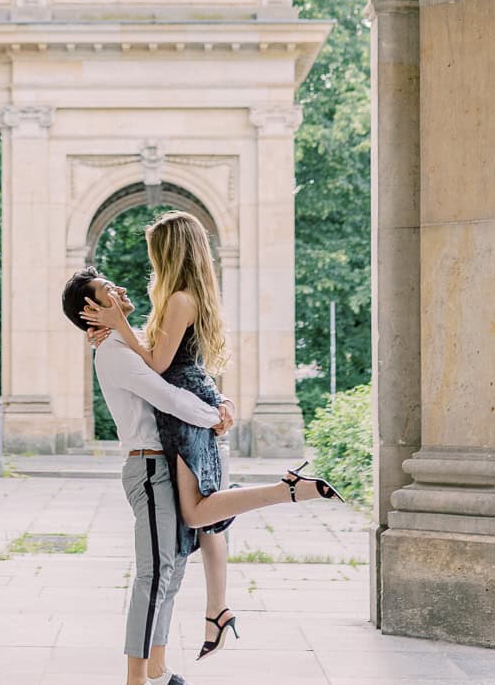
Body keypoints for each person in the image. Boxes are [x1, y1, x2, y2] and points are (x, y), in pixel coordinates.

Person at [80, 211, 342, 659]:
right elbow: (165, 357)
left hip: (186, 413)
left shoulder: (180, 299)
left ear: (168, 252)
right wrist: (116, 334)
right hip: (193, 401)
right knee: (204, 517)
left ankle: (286, 490)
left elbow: (160, 366)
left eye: (154, 252)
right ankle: (217, 611)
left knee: (197, 512)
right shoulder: (185, 297)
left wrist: (120, 329)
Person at [60, 265, 233, 685]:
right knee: (153, 575)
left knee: (170, 572)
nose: (119, 288)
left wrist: (219, 403)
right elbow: (167, 396)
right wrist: (213, 414)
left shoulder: (124, 340)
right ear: (92, 312)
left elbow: (179, 373)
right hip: (149, 466)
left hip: (164, 465)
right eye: (106, 291)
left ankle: (156, 670)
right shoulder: (115, 351)